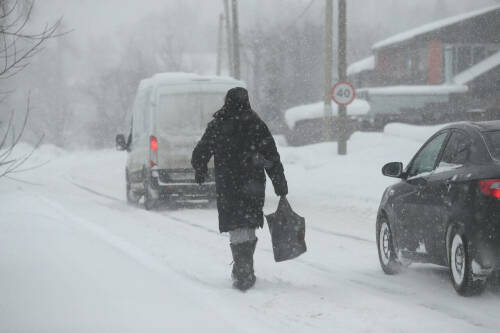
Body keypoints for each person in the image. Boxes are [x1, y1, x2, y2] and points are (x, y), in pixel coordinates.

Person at [191, 87, 288, 291]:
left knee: (236, 225)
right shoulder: (256, 125)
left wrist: (200, 169)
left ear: (227, 101)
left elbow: (201, 151)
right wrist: (280, 184)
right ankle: (245, 268)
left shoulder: (218, 124)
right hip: (252, 184)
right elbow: (272, 156)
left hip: (228, 186)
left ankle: (242, 270)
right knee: (249, 222)